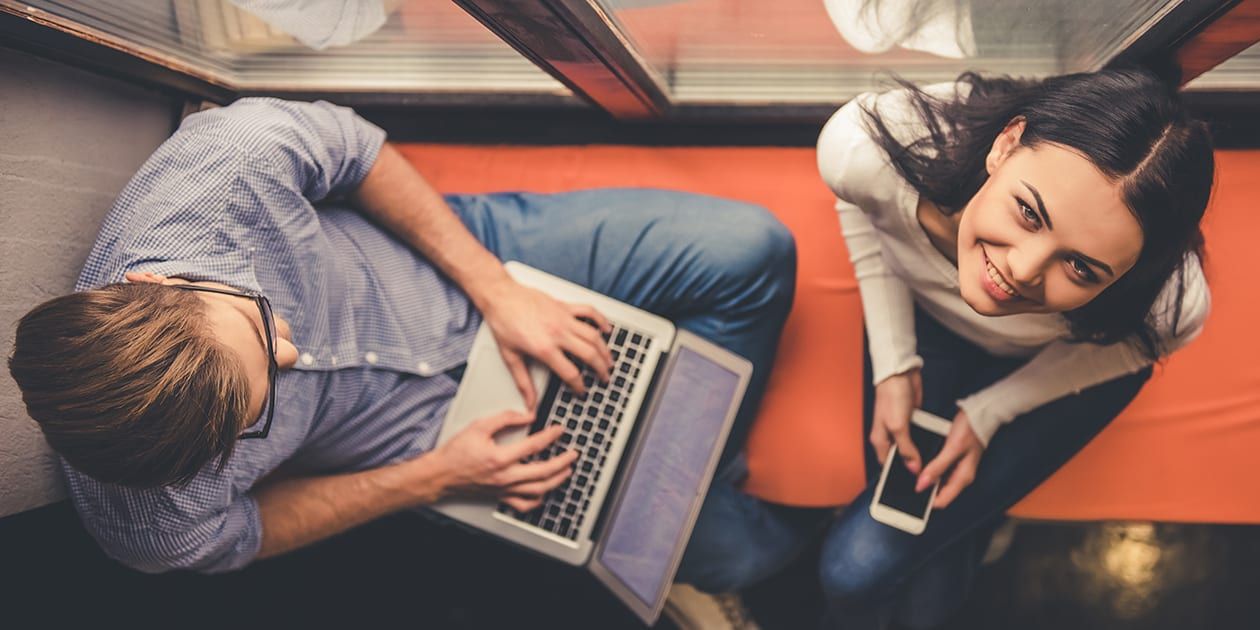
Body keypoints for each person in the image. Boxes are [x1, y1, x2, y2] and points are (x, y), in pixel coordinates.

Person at [6, 97, 796, 573]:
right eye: (261, 405)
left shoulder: (218, 170)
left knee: (752, 249)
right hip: (424, 444)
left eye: (257, 323)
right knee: (743, 557)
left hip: (462, 264)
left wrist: (497, 290)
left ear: (156, 281)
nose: (292, 352)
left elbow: (355, 150)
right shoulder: (147, 523)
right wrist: (437, 477)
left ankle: (706, 451)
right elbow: (243, 530)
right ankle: (701, 459)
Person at [673, 66, 1213, 629]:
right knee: (891, 576)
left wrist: (991, 413)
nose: (1020, 272)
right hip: (930, 331)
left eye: (1080, 267)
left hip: (1056, 369)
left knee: (854, 568)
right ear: (1006, 145)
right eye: (1028, 212)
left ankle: (976, 522)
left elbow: (1132, 351)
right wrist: (894, 361)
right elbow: (866, 206)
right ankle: (978, 527)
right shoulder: (866, 146)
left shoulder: (1168, 302)